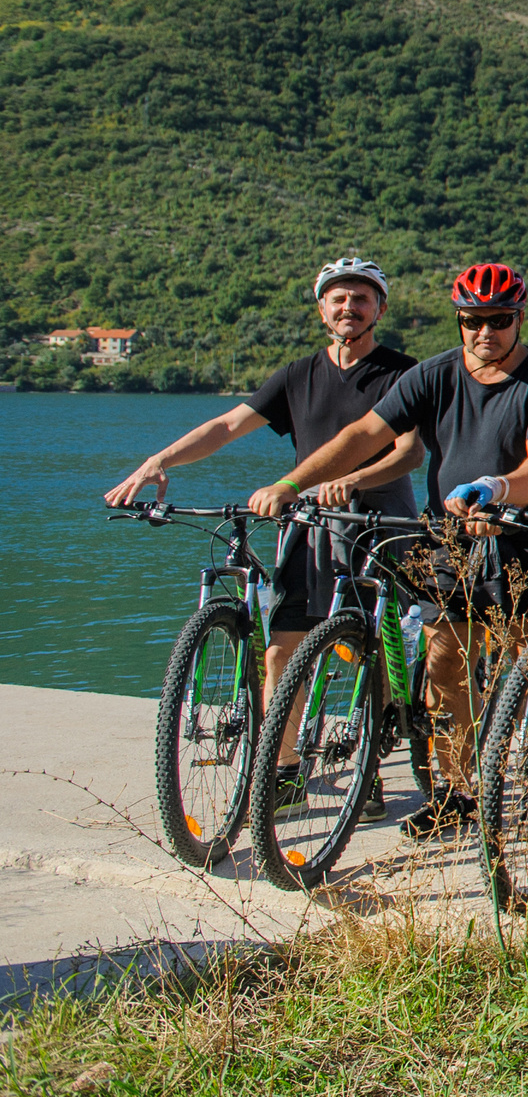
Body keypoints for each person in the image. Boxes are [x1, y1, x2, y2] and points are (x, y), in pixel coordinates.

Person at [250, 262, 528, 839]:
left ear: (519, 320)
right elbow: (359, 436)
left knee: (527, 664)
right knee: (446, 666)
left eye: (500, 320)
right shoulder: (434, 375)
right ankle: (458, 795)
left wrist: (498, 498)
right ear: (459, 321)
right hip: (452, 540)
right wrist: (291, 484)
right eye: (474, 320)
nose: (487, 333)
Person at [109, 257, 423, 812]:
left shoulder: (404, 372)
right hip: (308, 523)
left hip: (379, 525)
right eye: (338, 298)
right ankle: (285, 771)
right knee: (283, 650)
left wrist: (348, 479)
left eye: (361, 298)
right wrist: (160, 461)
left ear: (381, 308)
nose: (349, 307)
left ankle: (368, 758)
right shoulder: (299, 373)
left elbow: (410, 452)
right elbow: (228, 425)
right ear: (322, 307)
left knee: (366, 646)